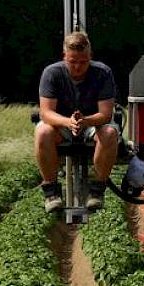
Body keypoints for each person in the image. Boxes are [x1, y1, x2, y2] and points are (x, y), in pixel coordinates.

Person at [35, 31, 119, 213]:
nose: (78, 67)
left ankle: (97, 190)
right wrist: (68, 122)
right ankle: (51, 192)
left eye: (83, 62)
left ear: (90, 56)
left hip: (92, 124)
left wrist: (85, 121)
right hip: (61, 124)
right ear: (65, 56)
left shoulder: (103, 73)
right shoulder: (52, 73)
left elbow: (105, 113)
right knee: (42, 132)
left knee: (110, 132)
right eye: (73, 62)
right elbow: (46, 112)